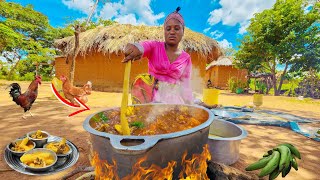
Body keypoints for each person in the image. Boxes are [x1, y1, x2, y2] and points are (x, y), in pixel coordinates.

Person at [123, 7, 217, 108]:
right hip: (150, 100)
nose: (172, 32)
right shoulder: (154, 46)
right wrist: (136, 47)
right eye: (168, 29)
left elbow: (185, 87)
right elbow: (142, 46)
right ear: (164, 31)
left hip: (173, 102)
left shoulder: (186, 58)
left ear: (183, 31)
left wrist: (199, 105)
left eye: (176, 28)